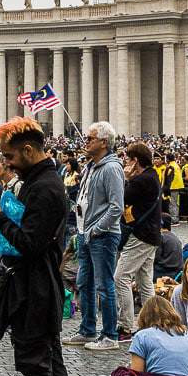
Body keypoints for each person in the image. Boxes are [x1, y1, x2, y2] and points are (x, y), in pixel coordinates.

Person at [0, 117, 70, 376]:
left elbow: (30, 244)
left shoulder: (45, 188)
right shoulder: (38, 182)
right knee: (50, 361)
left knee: (36, 367)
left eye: (10, 156)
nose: (7, 163)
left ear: (28, 150)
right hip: (38, 284)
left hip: (34, 289)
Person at [66, 121, 122, 350]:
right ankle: (88, 330)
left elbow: (116, 207)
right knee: (83, 282)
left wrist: (95, 229)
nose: (85, 141)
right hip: (84, 234)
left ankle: (110, 335)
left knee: (104, 285)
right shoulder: (91, 166)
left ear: (104, 142)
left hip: (102, 236)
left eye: (90, 139)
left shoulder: (111, 168)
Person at [115, 141, 161, 337]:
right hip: (151, 234)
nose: (125, 161)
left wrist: (125, 177)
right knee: (144, 281)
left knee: (121, 277)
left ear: (135, 160)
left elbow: (121, 198)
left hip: (141, 234)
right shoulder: (152, 175)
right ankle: (152, 323)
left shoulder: (142, 180)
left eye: (127, 158)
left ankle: (125, 325)